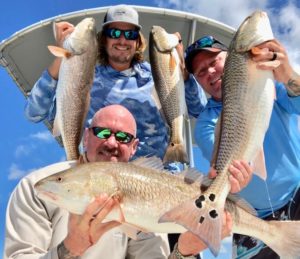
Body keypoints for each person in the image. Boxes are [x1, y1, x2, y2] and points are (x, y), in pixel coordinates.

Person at [4, 104, 233, 259]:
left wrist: (184, 252)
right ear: (86, 137)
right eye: (102, 133)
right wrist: (69, 249)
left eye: (123, 138)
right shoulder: (38, 187)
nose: (112, 143)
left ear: (134, 148)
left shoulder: (148, 197)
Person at [24, 4, 206, 163]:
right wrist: (62, 57)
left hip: (158, 176)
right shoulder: (83, 78)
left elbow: (199, 109)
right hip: (101, 178)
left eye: (130, 34)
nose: (122, 40)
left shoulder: (156, 75)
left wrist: (182, 71)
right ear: (104, 39)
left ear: (138, 40)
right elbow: (33, 113)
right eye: (115, 33)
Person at [184, 35, 300, 258]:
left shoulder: (268, 83)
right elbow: (228, 166)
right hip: (253, 217)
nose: (209, 72)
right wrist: (235, 178)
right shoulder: (206, 124)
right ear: (197, 82)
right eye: (200, 71)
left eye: (213, 61)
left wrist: (289, 75)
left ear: (230, 58)